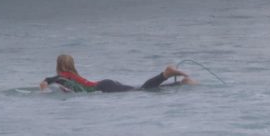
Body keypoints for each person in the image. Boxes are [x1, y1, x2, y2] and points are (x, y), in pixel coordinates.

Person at [39, 54, 196, 93]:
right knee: (140, 90)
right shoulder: (71, 76)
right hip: (106, 84)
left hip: (104, 87)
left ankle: (165, 74)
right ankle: (180, 84)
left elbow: (48, 80)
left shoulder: (63, 77)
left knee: (142, 91)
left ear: (59, 66)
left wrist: (43, 89)